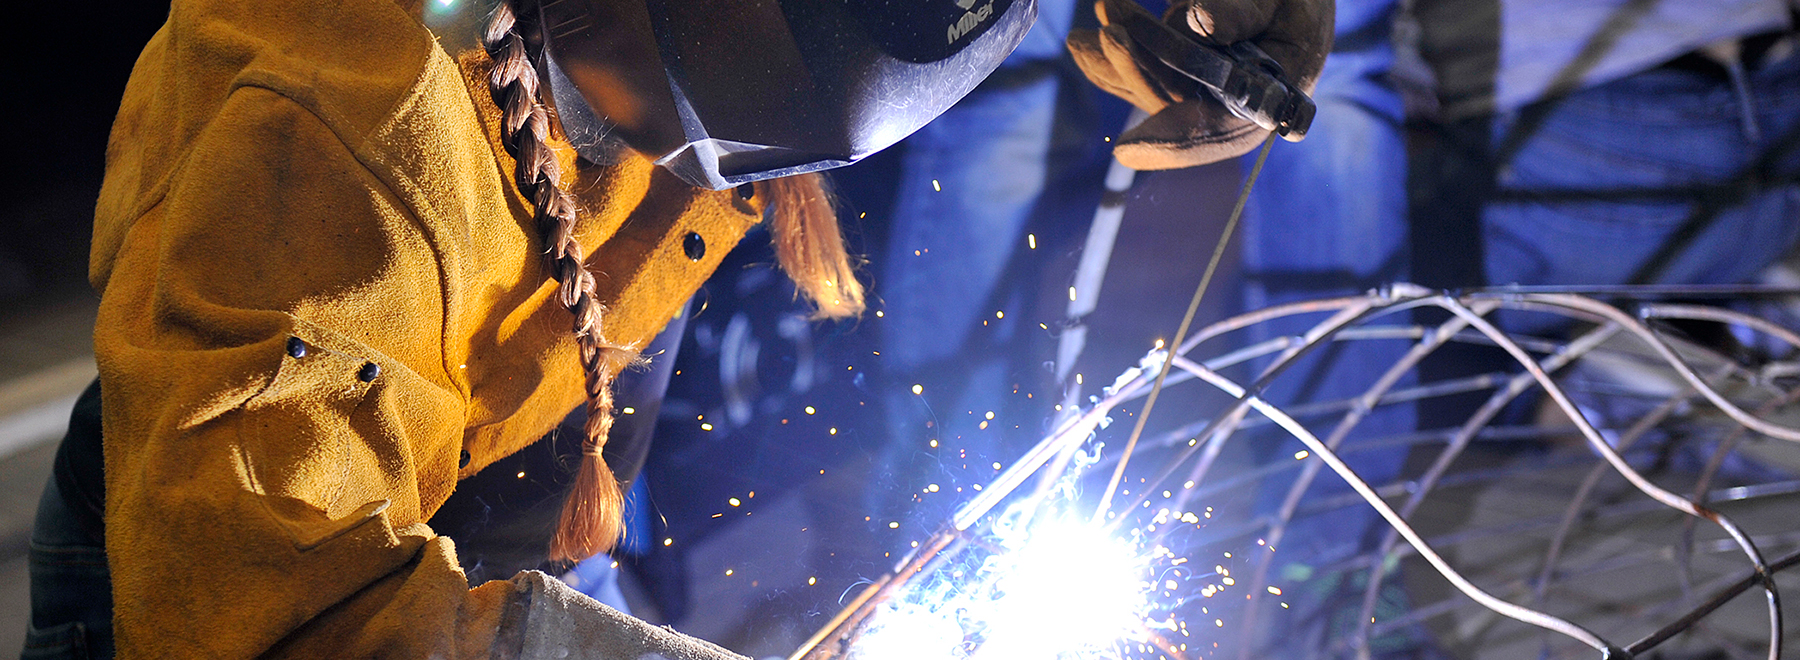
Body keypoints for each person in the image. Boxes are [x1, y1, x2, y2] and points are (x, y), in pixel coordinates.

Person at [18, 0, 1034, 656]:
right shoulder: (346, 115)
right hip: (260, 562)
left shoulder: (676, 53)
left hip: (506, 511)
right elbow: (281, 618)